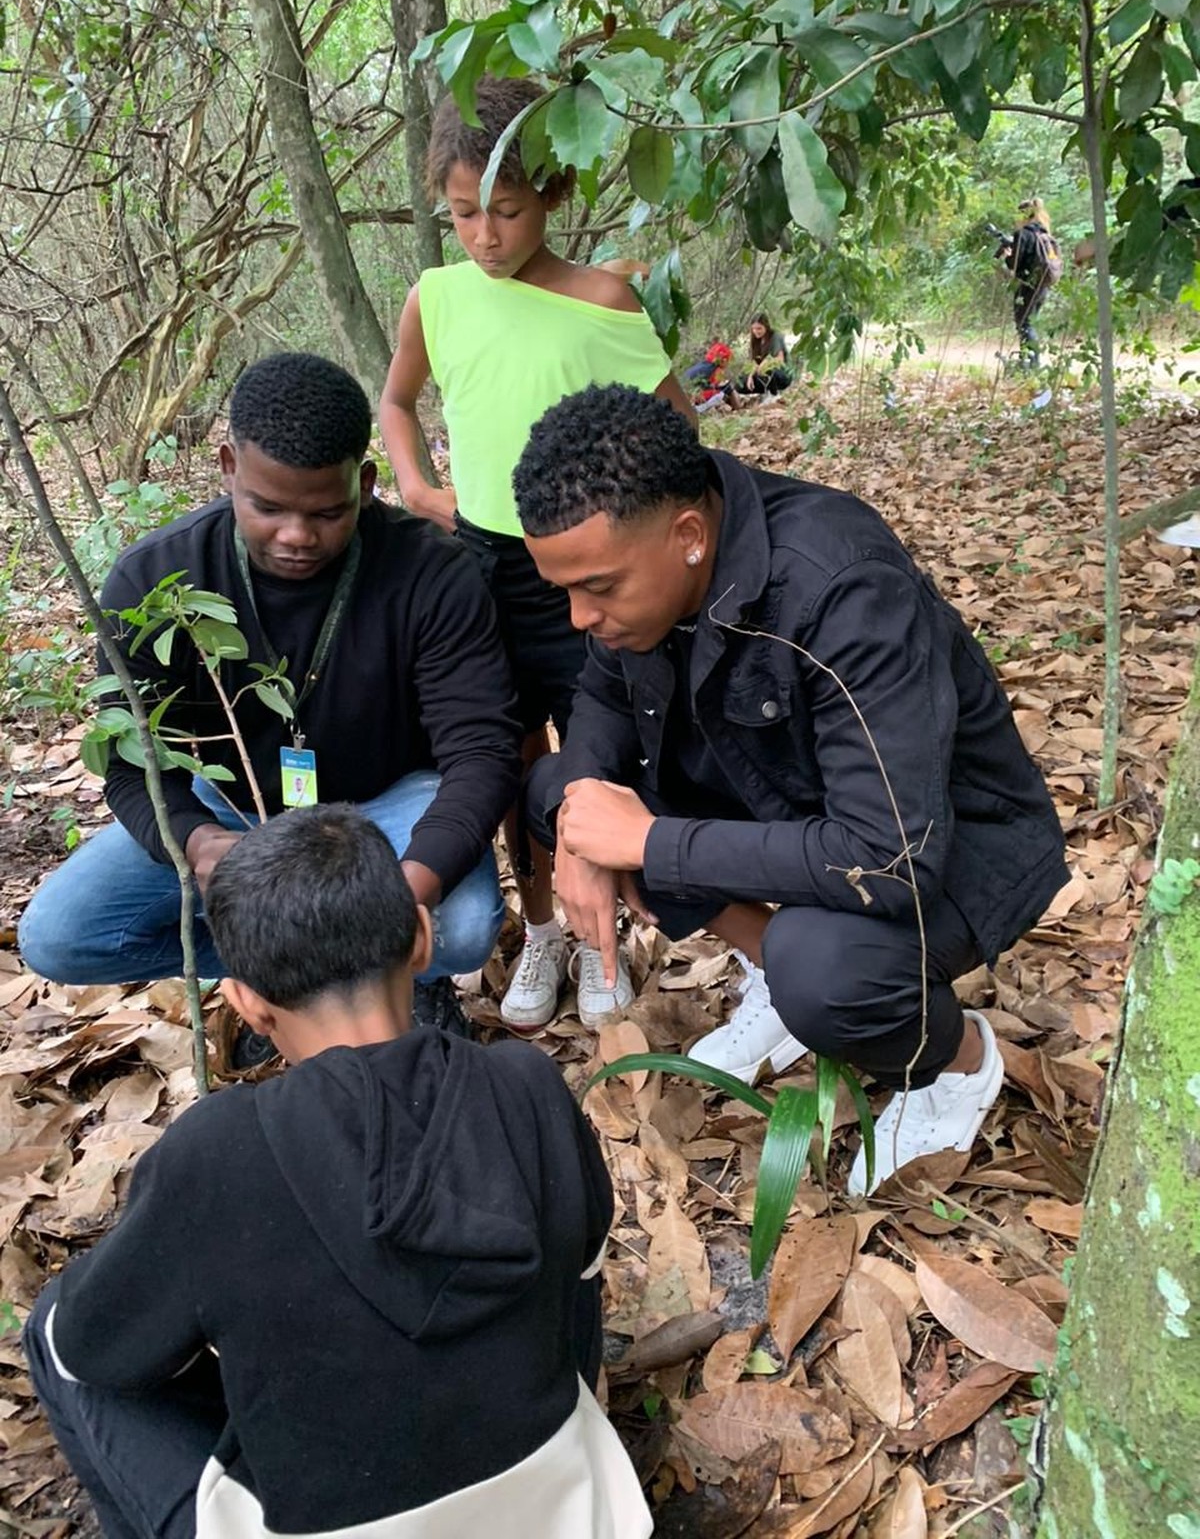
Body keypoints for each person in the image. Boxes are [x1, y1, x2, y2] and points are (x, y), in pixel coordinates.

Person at [23, 804, 650, 1539]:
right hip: (565, 1500)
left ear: (247, 1002)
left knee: (53, 1333)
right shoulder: (528, 1084)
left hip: (326, 1519)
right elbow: (579, 1269)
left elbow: (94, 1352)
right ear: (421, 941)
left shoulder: (216, 1152)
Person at [514, 385, 1068, 1194]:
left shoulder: (842, 587)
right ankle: (770, 966)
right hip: (780, 797)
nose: (576, 616)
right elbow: (600, 694)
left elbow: (889, 859)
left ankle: (956, 1059)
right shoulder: (647, 584)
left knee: (826, 970)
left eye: (598, 588)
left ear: (690, 536)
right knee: (558, 790)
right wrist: (583, 817)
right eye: (562, 590)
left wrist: (644, 841)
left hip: (945, 843)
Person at [19, 352, 522, 1035]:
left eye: (327, 513)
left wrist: (403, 897)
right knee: (59, 936)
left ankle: (410, 979)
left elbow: (480, 755)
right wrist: (198, 846)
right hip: (227, 808)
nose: (296, 536)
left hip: (385, 800)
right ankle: (288, 980)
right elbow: (132, 760)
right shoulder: (157, 581)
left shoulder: (431, 573)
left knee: (459, 926)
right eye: (267, 507)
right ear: (228, 467)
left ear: (366, 483)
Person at [379, 75, 694, 1036]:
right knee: (509, 758)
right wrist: (422, 488)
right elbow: (397, 402)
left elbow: (677, 439)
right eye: (464, 213)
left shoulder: (604, 302)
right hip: (481, 565)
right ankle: (545, 926)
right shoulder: (436, 298)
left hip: (587, 573)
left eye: (506, 211)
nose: (484, 235)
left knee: (595, 745)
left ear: (550, 196)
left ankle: (608, 936)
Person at [1001, 198, 1059, 368]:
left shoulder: (1024, 234)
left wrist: (1007, 256)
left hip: (1026, 285)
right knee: (1030, 323)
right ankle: (1029, 361)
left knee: (1024, 324)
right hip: (1043, 286)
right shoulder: (1045, 235)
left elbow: (1015, 263)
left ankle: (1032, 364)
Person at [730, 314, 792, 398]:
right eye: (754, 329)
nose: (756, 331)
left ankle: (774, 395)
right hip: (761, 374)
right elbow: (754, 362)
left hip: (780, 375)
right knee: (740, 383)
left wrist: (765, 363)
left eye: (759, 328)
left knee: (768, 371)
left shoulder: (775, 336)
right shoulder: (755, 341)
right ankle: (763, 392)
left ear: (766, 326)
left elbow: (779, 360)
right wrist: (750, 376)